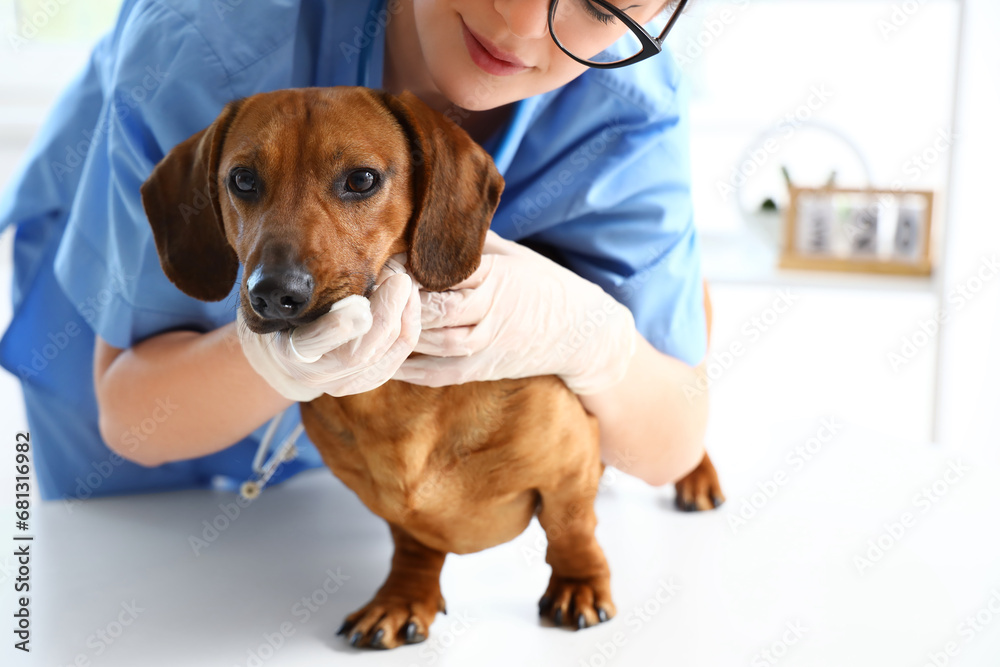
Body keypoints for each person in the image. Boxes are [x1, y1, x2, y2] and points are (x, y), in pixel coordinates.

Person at [0, 0, 708, 502]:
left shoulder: (625, 111)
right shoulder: (207, 34)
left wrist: (588, 338)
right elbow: (131, 413)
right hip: (135, 477)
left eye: (596, 2)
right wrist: (266, 360)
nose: (520, 22)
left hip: (357, 476)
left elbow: (671, 442)